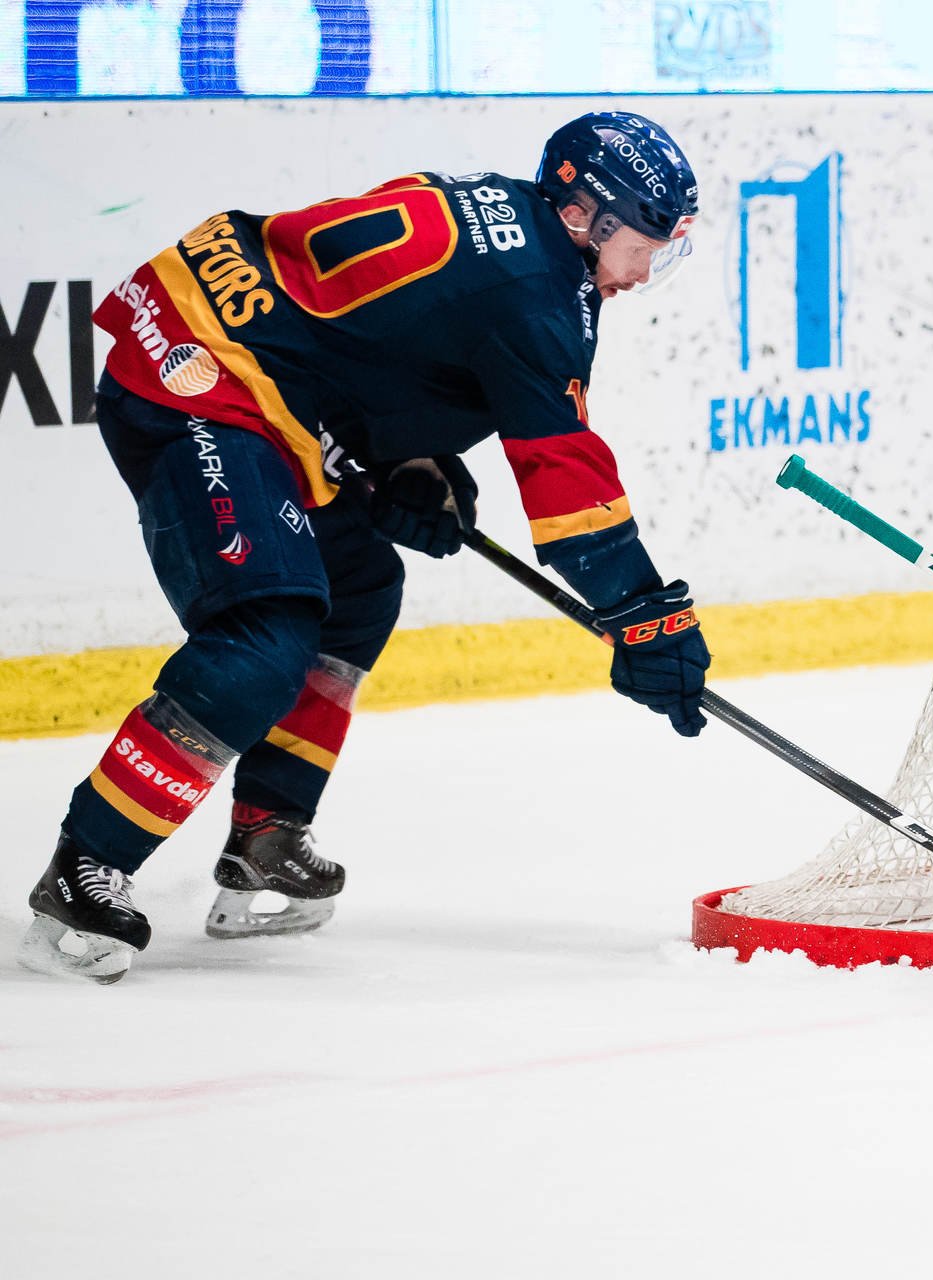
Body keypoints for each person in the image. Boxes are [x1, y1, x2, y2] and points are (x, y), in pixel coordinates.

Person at [18, 112, 712, 984]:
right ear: (586, 218)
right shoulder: (539, 297)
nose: (647, 270)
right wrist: (644, 614)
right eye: (644, 244)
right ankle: (86, 867)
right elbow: (566, 478)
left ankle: (266, 832)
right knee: (264, 637)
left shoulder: (503, 215)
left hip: (248, 363)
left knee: (358, 587)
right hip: (199, 378)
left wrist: (408, 460)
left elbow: (365, 332)